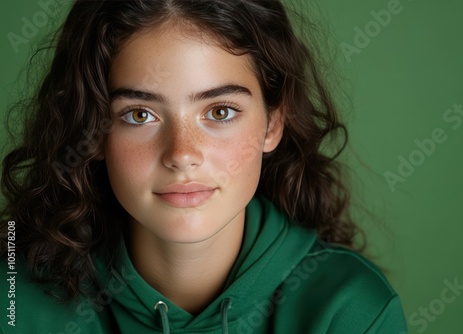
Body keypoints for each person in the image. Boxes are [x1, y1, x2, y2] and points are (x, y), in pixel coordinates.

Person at [0, 0, 408, 333]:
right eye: (140, 115)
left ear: (273, 123)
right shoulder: (14, 302)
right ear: (93, 132)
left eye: (220, 111)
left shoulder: (351, 311)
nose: (182, 153)